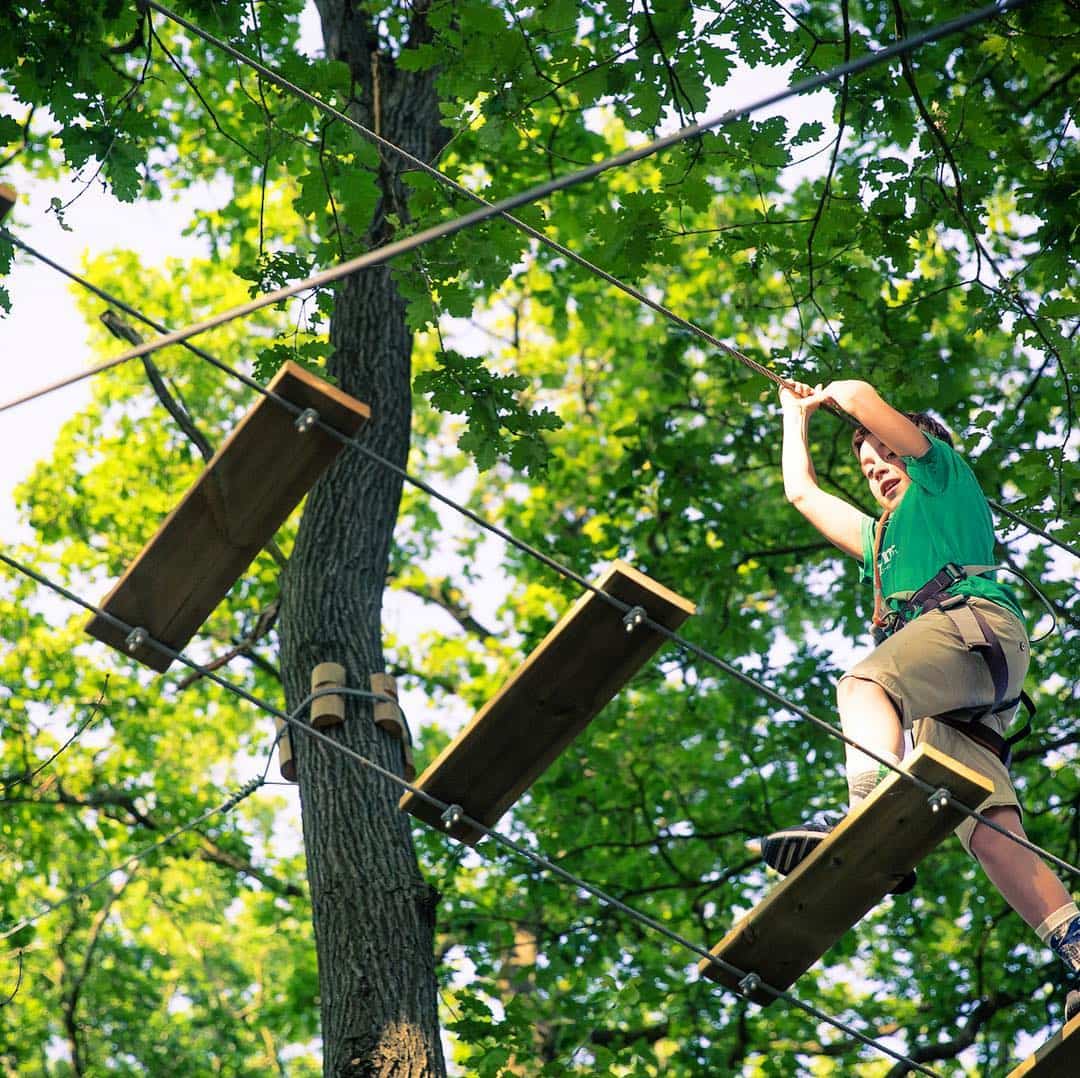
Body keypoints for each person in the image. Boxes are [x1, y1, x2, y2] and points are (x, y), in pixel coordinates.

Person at [762, 377, 1079, 1022]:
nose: (877, 468)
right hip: (955, 692)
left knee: (864, 684)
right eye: (867, 464)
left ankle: (865, 813)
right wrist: (794, 419)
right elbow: (802, 492)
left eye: (885, 452)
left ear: (919, 447)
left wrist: (829, 393)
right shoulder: (881, 546)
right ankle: (1076, 946)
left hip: (973, 628)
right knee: (988, 832)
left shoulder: (944, 482)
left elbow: (861, 395)